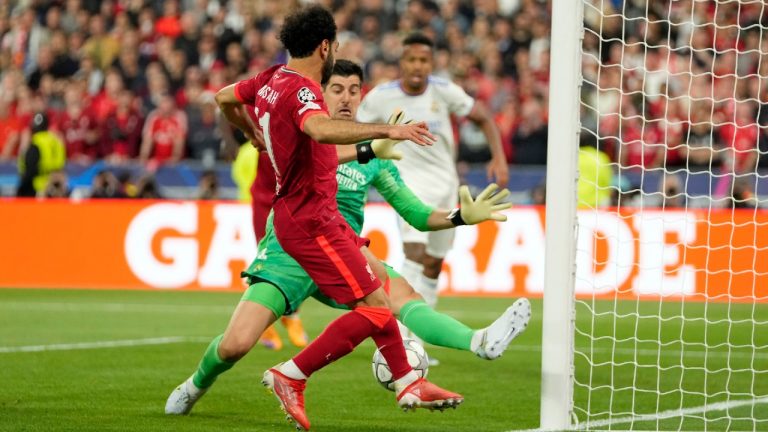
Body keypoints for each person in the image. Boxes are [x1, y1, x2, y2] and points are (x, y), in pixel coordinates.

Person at [166, 58, 529, 424]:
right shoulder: (306, 128)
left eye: (354, 91)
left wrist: (459, 217)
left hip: (342, 247)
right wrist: (373, 142)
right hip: (289, 250)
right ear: (320, 94)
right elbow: (320, 150)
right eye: (337, 89)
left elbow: (417, 215)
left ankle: (478, 341)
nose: (346, 98)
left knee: (400, 299)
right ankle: (197, 384)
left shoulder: (375, 156)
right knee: (235, 345)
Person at [209, 6, 459, 430]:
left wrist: (250, 130)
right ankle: (292, 374)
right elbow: (320, 130)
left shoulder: (272, 78)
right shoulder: (304, 91)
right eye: (336, 45)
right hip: (310, 218)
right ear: (325, 47)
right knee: (377, 307)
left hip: (308, 216)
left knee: (378, 302)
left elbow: (223, 98)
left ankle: (407, 382)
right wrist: (388, 131)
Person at [356, 32, 509, 334]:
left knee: (433, 264)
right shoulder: (381, 96)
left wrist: (498, 157)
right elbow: (354, 129)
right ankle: (401, 336)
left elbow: (483, 117)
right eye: (411, 59)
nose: (417, 66)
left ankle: (419, 336)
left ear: (432, 63)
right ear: (402, 62)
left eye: (423, 60)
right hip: (407, 183)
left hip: (445, 184)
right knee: (414, 251)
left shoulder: (444, 91)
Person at [17, 112, 66, 197]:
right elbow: (62, 162)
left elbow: (30, 169)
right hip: (55, 186)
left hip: (38, 188)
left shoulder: (35, 142)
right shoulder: (56, 140)